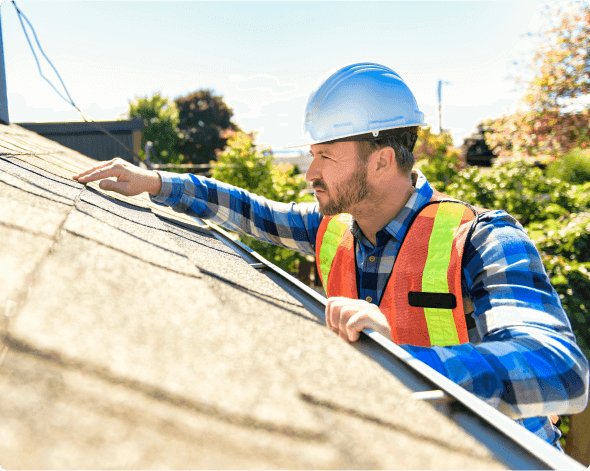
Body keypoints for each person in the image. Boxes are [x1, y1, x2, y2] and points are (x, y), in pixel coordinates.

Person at [73, 63, 588, 449]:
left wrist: (410, 365)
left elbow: (562, 369)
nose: (309, 172)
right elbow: (253, 211)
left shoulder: (482, 240)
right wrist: (159, 183)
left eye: (326, 156)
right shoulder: (337, 228)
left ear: (382, 160)